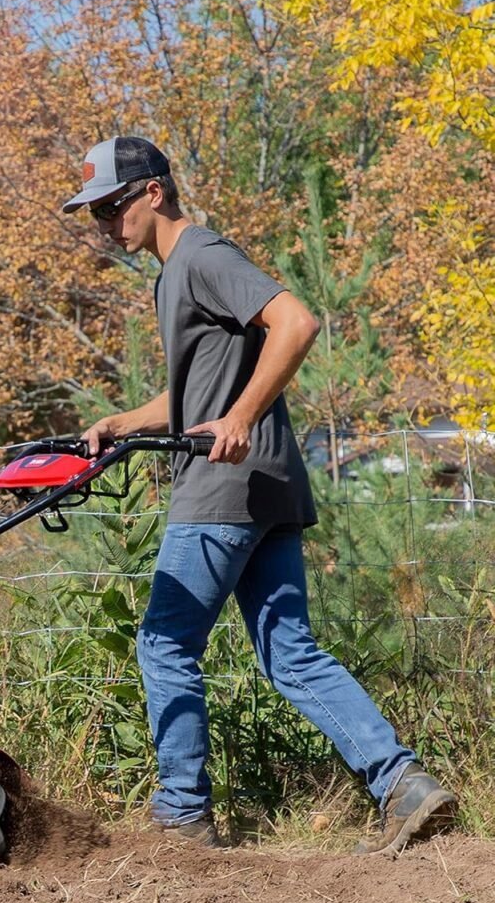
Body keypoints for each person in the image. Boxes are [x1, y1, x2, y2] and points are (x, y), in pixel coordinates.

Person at [63, 135, 457, 854]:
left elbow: (297, 322)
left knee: (163, 642)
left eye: (112, 205)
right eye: (93, 213)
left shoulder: (202, 256)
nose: (104, 223)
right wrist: (124, 422)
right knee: (290, 654)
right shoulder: (177, 271)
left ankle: (182, 814)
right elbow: (196, 393)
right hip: (267, 486)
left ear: (153, 191)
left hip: (223, 487)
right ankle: (404, 784)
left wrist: (242, 416)